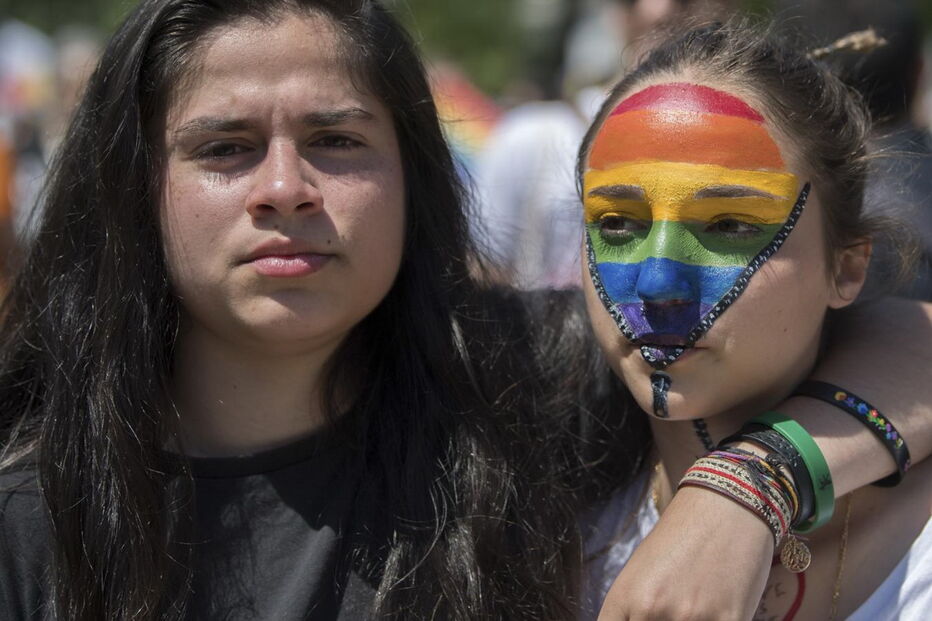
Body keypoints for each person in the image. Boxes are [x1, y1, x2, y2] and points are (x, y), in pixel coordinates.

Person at [0, 2, 930, 620]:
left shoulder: (507, 386)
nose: (284, 188)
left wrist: (743, 488)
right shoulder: (34, 514)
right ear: (137, 185)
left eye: (336, 140)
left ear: (416, 177)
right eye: (225, 147)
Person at [579, 21, 932, 619]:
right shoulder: (524, 495)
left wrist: (748, 481)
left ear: (846, 269)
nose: (657, 284)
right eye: (617, 224)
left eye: (731, 226)